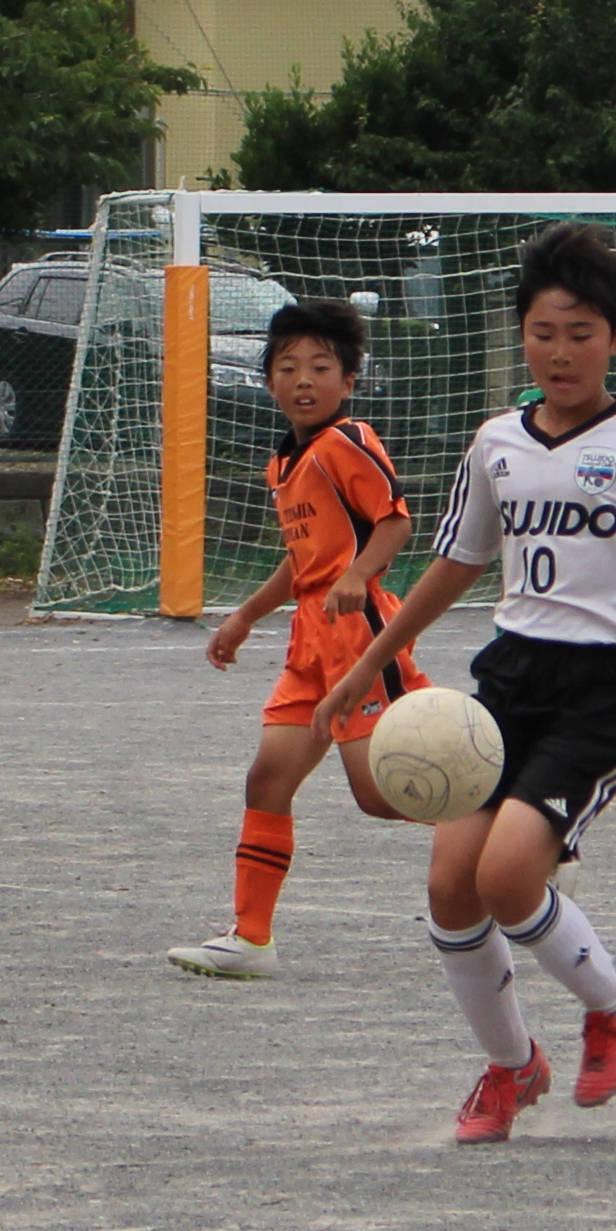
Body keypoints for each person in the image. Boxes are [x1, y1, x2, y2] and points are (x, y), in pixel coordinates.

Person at [309, 225, 616, 1145]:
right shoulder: (497, 441)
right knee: (452, 884)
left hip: (607, 688)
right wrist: (366, 668)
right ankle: (510, 1066)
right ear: (521, 337)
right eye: (542, 331)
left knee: (506, 875)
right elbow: (454, 564)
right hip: (507, 679)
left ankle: (613, 1007)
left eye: (580, 331)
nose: (560, 351)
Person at [171, 299, 420, 979]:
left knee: (382, 793)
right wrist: (246, 614)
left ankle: (525, 832)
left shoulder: (349, 442)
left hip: (361, 633)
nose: (304, 379)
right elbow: (301, 560)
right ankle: (251, 939)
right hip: (309, 641)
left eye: (320, 366)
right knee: (268, 778)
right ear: (270, 381)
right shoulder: (286, 463)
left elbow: (394, 523)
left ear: (349, 380)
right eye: (288, 367)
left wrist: (358, 576)